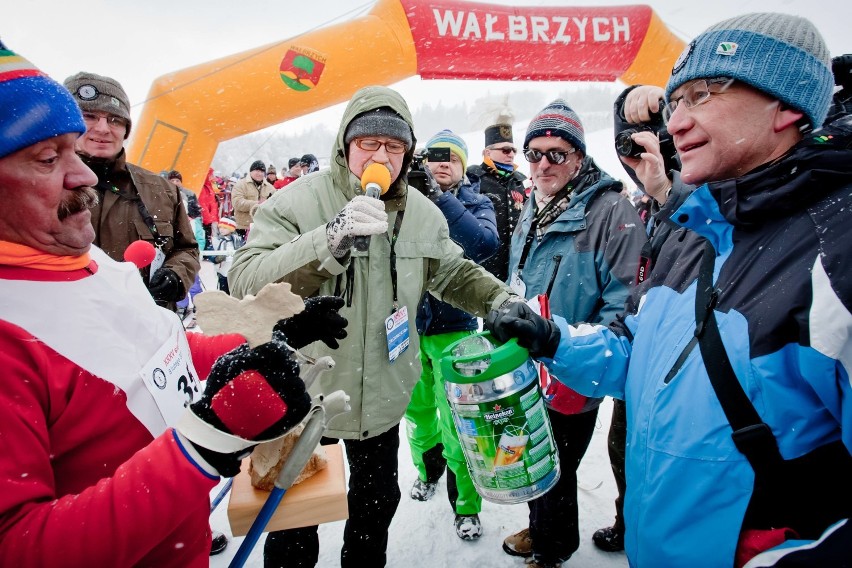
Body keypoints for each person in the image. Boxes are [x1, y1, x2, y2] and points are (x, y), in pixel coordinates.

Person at [486, 13, 852, 567]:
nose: (676, 122)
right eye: (674, 101)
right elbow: (638, 354)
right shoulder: (690, 229)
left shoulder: (836, 250)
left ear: (787, 103)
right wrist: (554, 339)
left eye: (702, 95)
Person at [0, 42, 348, 566]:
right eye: (50, 158)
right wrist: (199, 448)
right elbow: (20, 548)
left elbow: (161, 355)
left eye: (76, 148)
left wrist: (275, 337)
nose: (86, 175)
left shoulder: (89, 262)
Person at [228, 85, 518, 568]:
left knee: (375, 506)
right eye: (369, 144)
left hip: (382, 395)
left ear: (407, 153)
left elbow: (451, 271)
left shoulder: (423, 213)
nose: (381, 155)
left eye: (394, 146)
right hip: (308, 393)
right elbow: (245, 279)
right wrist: (328, 238)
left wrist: (501, 300)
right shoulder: (297, 203)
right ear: (346, 146)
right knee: (295, 523)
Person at [497, 99, 646, 568]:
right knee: (531, 456)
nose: (543, 163)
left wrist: (570, 344)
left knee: (557, 465)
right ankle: (543, 528)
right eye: (534, 152)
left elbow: (626, 303)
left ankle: (553, 548)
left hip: (572, 362)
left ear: (579, 158)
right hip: (529, 361)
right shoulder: (535, 202)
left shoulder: (610, 210)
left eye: (557, 154)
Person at [403, 129, 498, 541]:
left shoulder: (478, 202)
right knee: (417, 414)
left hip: (455, 329)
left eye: (451, 158)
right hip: (407, 329)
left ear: (463, 164)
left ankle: (465, 506)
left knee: (460, 423)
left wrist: (441, 200)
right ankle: (427, 471)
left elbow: (481, 245)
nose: (442, 163)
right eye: (434, 155)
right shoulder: (405, 199)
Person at [63, 71, 200, 312]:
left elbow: (186, 249)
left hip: (147, 331)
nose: (104, 128)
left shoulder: (161, 190)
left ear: (126, 129)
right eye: (89, 116)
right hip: (61, 334)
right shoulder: (33, 187)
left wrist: (176, 275)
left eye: (115, 120)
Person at [467, 121, 527, 282]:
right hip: (483, 263)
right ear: (488, 152)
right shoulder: (473, 179)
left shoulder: (519, 182)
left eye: (513, 150)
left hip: (513, 266)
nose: (511, 154)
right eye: (505, 150)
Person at [231, 159, 274, 239]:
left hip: (263, 228)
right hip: (243, 227)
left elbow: (275, 204)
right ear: (251, 171)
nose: (259, 173)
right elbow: (236, 203)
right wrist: (256, 204)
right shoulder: (241, 185)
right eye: (257, 170)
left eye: (262, 171)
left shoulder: (270, 188)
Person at [213, 217, 242, 295]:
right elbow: (212, 253)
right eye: (220, 227)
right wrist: (215, 259)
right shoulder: (217, 240)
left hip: (234, 269)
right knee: (223, 291)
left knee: (233, 290)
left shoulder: (237, 240)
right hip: (222, 270)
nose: (221, 230)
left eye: (225, 228)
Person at [199, 167, 221, 250]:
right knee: (206, 236)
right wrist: (208, 219)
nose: (212, 177)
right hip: (207, 220)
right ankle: (208, 253)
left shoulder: (209, 186)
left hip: (210, 219)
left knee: (208, 236)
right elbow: (203, 204)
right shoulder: (204, 188)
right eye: (211, 175)